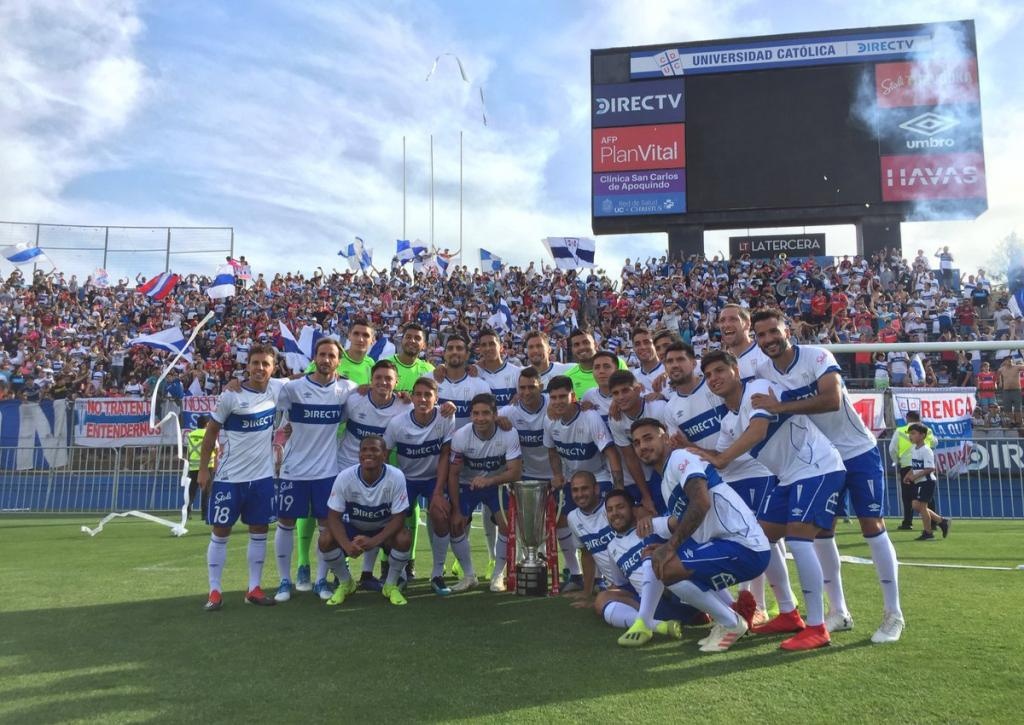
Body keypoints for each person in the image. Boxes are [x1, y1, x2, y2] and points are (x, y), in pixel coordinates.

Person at [749, 309, 904, 645]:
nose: (768, 340)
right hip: (818, 462)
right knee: (822, 534)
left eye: (773, 331)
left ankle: (893, 613)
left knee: (871, 526)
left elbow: (832, 400)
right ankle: (838, 612)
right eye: (760, 335)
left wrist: (782, 406)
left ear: (786, 329)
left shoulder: (818, 355)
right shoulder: (762, 370)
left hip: (856, 450)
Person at [692, 350, 845, 650]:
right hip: (788, 477)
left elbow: (757, 430)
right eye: (708, 375)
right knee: (761, 538)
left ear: (736, 370)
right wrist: (689, 450)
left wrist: (721, 457)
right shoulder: (727, 421)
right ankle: (788, 612)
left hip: (817, 467)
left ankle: (817, 626)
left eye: (720, 371)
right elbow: (720, 460)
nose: (714, 379)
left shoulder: (758, 389)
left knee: (801, 540)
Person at [631, 418, 770, 653]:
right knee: (661, 561)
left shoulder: (680, 458)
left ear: (665, 438)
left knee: (668, 567)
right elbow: (679, 520)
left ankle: (731, 623)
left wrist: (671, 547)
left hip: (744, 546)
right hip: (724, 545)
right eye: (636, 443)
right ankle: (728, 618)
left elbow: (701, 503)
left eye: (648, 438)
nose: (642, 446)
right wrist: (660, 538)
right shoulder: (666, 481)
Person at [198, 343, 286, 611]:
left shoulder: (278, 388)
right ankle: (214, 590)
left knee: (259, 530)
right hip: (229, 478)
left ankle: (254, 588)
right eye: (255, 363)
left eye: (265, 364)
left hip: (261, 478)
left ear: (273, 368)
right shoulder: (231, 396)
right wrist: (203, 469)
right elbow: (211, 433)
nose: (260, 368)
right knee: (221, 532)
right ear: (247, 365)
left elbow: (306, 379)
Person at [294, 318, 377, 592]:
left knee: (352, 508)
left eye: (366, 335)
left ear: (372, 340)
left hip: (357, 445)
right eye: (356, 334)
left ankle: (350, 564)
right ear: (348, 337)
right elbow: (304, 384)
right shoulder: (326, 360)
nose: (361, 339)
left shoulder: (371, 367)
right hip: (325, 443)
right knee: (313, 510)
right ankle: (304, 563)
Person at [272, 338, 357, 602]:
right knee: (285, 523)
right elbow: (265, 394)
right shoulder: (292, 389)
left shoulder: (348, 390)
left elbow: (369, 399)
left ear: (338, 361)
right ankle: (284, 581)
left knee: (327, 527)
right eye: (321, 354)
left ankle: (321, 580)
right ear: (314, 358)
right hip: (293, 470)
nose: (326, 360)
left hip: (327, 471)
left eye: (331, 356)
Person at [336, 359, 412, 589]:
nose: (383, 382)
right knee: (340, 523)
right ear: (370, 380)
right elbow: (331, 418)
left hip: (379, 472)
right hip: (345, 468)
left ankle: (368, 573)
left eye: (388, 378)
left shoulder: (403, 406)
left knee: (373, 517)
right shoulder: (355, 399)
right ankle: (341, 574)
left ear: (396, 382)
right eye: (378, 378)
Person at [545, 374, 624, 590]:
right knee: (566, 521)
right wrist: (557, 474)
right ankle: (578, 575)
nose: (559, 401)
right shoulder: (549, 420)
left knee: (609, 527)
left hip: (599, 477)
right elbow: (552, 450)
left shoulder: (590, 417)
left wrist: (618, 487)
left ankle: (613, 577)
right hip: (572, 481)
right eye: (554, 397)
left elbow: (609, 451)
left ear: (573, 396)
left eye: (563, 396)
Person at [319, 436, 412, 606]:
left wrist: (373, 541)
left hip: (382, 529)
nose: (368, 453)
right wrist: (347, 544)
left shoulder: (396, 476)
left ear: (384, 455)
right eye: (364, 450)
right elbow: (333, 517)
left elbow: (399, 518)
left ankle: (390, 586)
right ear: (359, 455)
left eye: (374, 450)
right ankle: (346, 583)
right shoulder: (345, 477)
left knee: (404, 537)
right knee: (325, 539)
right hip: (354, 528)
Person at [445, 393, 523, 593]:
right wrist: (455, 508)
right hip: (467, 485)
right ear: (471, 415)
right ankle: (469, 576)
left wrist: (489, 480)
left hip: (496, 484)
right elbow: (453, 474)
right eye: (476, 413)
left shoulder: (508, 433)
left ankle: (498, 575)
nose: (480, 418)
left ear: (495, 414)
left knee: (506, 524)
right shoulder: (461, 435)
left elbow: (515, 472)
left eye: (486, 413)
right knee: (455, 524)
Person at [384, 376, 455, 596]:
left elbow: (445, 455)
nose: (423, 399)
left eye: (428, 395)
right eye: (419, 394)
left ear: (436, 398)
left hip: (433, 478)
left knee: (440, 515)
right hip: (405, 480)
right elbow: (384, 454)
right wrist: (387, 488)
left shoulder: (445, 418)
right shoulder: (398, 423)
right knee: (394, 523)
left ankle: (436, 574)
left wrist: (437, 493)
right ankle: (401, 575)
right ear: (412, 397)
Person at [598, 488, 690, 647]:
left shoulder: (650, 525)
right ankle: (659, 626)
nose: (615, 513)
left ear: (633, 510)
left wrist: (652, 518)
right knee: (601, 599)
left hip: (678, 594)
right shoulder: (611, 547)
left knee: (653, 559)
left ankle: (649, 624)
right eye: (610, 510)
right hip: (655, 607)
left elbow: (681, 523)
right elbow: (622, 586)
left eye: (620, 507)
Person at [606, 369, 662, 513]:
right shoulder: (615, 419)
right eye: (615, 393)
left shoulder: (657, 408)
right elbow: (630, 458)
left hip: (665, 468)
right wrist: (646, 496)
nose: (621, 397)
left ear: (637, 389)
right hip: (642, 476)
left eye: (625, 391)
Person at [889, 411, 937, 530]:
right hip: (922, 465)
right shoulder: (927, 430)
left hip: (907, 465)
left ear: (907, 418)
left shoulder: (900, 430)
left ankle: (908, 522)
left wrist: (897, 460)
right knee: (927, 498)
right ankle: (934, 523)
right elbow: (935, 442)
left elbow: (892, 449)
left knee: (908, 496)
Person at [903, 424, 951, 541]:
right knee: (916, 506)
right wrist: (908, 475)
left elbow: (930, 468)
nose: (911, 436)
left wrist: (915, 477)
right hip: (919, 481)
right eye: (910, 433)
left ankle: (928, 533)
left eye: (913, 433)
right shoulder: (914, 449)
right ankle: (942, 521)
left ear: (922, 435)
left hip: (926, 482)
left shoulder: (926, 450)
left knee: (922, 507)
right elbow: (915, 466)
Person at [474, 328, 522, 407]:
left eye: (492, 344)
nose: (488, 348)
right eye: (483, 345)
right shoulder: (474, 372)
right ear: (480, 349)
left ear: (501, 347)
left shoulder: (516, 372)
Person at [387, 323, 434, 393]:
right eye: (408, 337)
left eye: (417, 338)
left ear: (424, 345)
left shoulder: (429, 371)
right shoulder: (384, 365)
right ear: (401, 340)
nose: (412, 341)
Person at [186, 415, 213, 521]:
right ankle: (204, 515)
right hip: (207, 465)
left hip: (193, 465)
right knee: (206, 491)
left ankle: (186, 513)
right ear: (207, 424)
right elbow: (215, 448)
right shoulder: (209, 434)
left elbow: (189, 449)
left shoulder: (190, 435)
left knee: (191, 491)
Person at [629, 326, 665, 393]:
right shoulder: (633, 377)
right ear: (633, 348)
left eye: (646, 342)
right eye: (637, 344)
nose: (643, 347)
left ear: (654, 345)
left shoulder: (668, 370)